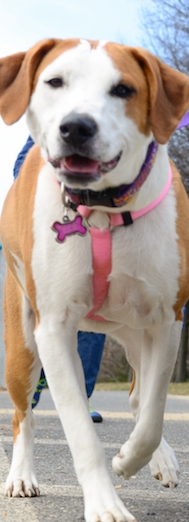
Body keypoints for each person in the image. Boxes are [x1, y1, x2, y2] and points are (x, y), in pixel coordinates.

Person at [12, 136, 107, 423]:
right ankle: (31, 389)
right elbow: (22, 168)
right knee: (46, 314)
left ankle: (80, 398)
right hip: (54, 225)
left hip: (102, 226)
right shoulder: (53, 123)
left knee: (95, 315)